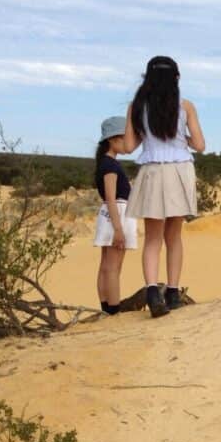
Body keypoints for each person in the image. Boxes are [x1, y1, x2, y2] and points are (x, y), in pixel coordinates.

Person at [123, 56, 206, 318]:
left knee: (152, 238)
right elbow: (200, 145)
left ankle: (151, 291)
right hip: (180, 171)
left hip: (152, 171)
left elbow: (128, 146)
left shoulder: (136, 107)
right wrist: (183, 138)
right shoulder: (186, 107)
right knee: (174, 237)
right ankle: (172, 291)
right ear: (176, 79)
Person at [93, 116, 138, 315]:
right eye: (124, 137)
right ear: (112, 139)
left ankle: (107, 306)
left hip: (113, 214)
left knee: (106, 265)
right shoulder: (110, 165)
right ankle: (113, 310)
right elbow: (111, 198)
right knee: (113, 266)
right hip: (116, 213)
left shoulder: (106, 163)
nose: (127, 142)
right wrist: (118, 229)